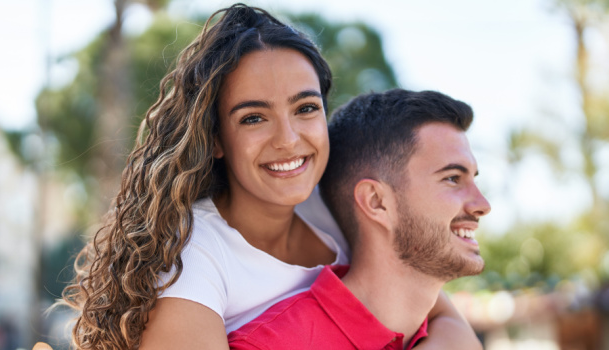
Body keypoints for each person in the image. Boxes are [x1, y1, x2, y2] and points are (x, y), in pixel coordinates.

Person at [62, 4, 476, 349]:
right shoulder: (192, 256)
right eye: (254, 117)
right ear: (216, 138)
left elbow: (446, 320)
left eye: (306, 108)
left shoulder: (330, 201)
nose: (289, 139)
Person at [228, 89, 491, 349]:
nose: (483, 205)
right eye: (452, 178)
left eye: (472, 178)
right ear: (376, 201)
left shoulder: (445, 334)